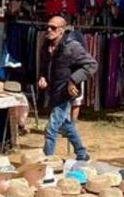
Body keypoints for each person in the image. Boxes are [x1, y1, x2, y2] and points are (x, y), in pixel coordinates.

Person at [37, 14, 97, 161]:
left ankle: (47, 163)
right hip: (54, 92)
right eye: (48, 27)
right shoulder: (46, 46)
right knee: (66, 125)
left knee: (51, 129)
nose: (49, 30)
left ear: (62, 30)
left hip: (65, 93)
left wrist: (73, 80)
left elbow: (92, 65)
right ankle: (82, 154)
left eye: (53, 27)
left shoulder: (72, 47)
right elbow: (45, 67)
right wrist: (43, 77)